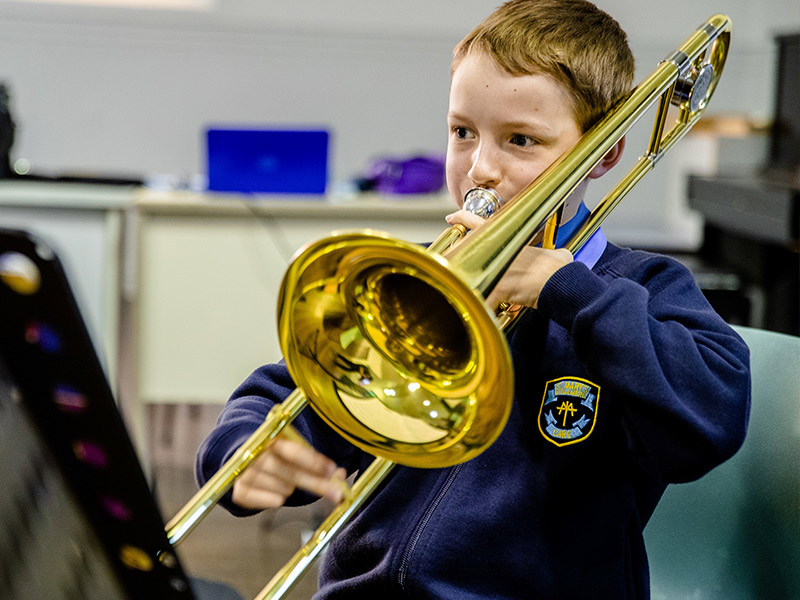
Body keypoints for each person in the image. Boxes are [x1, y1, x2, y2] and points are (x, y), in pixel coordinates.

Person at [196, 1, 751, 598]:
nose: (480, 168)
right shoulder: (411, 279)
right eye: (463, 132)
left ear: (605, 152)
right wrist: (253, 447)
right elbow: (297, 389)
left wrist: (564, 289)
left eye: (521, 140)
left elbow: (713, 413)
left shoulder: (638, 288)